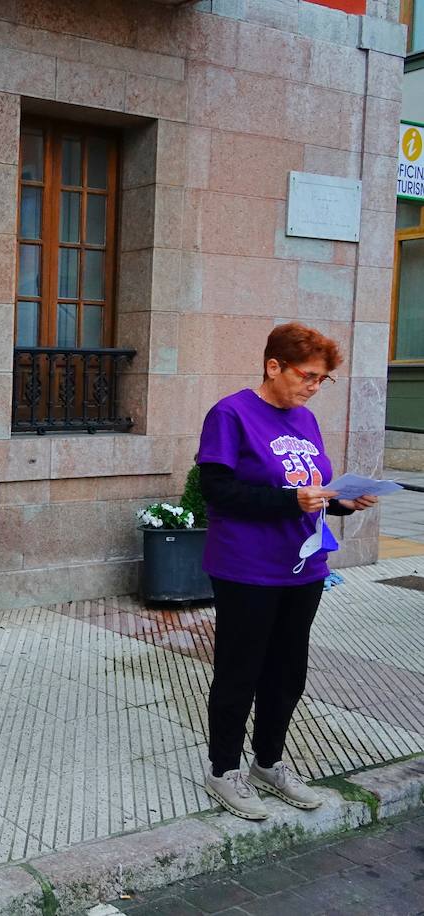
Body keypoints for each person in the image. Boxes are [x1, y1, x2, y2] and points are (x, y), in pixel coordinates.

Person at [196, 322, 377, 820]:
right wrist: (288, 499)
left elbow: (309, 490)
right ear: (273, 366)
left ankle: (269, 763)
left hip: (303, 565)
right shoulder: (231, 414)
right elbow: (218, 490)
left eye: (323, 380)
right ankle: (223, 769)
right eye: (309, 376)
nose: (314, 387)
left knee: (287, 672)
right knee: (240, 669)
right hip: (246, 567)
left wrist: (342, 502)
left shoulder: (305, 421)